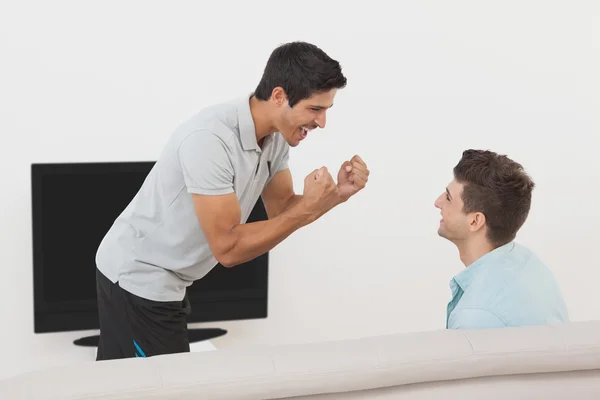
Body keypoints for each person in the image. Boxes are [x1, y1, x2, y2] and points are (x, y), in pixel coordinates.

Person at [94, 41, 370, 360]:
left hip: (169, 280)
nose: (322, 123)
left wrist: (336, 195)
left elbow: (282, 209)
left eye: (326, 110)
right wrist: (309, 208)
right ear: (279, 96)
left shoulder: (276, 138)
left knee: (125, 385)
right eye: (315, 109)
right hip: (137, 276)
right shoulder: (209, 140)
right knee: (165, 387)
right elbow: (228, 248)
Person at [434, 149, 568, 330]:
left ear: (475, 221)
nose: (438, 202)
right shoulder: (528, 262)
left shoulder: (475, 316)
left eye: (448, 197)